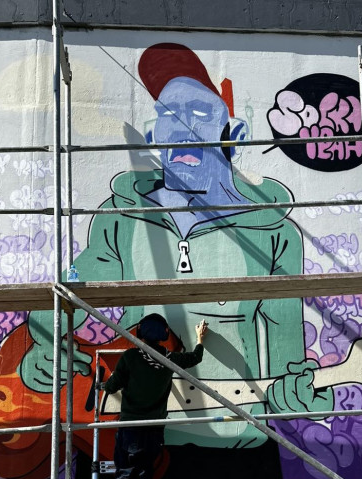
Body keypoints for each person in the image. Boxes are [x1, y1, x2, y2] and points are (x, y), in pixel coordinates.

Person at [19, 42, 332, 450]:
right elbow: (69, 298)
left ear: (234, 134)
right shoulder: (121, 219)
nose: (182, 127)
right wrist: (44, 347)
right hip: (140, 430)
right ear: (154, 135)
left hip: (238, 441)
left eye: (200, 113)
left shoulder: (274, 232)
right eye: (168, 114)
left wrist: (296, 393)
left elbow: (286, 351)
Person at [103, 314, 208, 479]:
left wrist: (107, 382)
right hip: (154, 431)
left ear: (140, 332)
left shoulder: (130, 357)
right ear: (163, 334)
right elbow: (194, 357)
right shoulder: (168, 359)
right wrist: (200, 339)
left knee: (124, 478)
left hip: (130, 429)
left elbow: (111, 386)